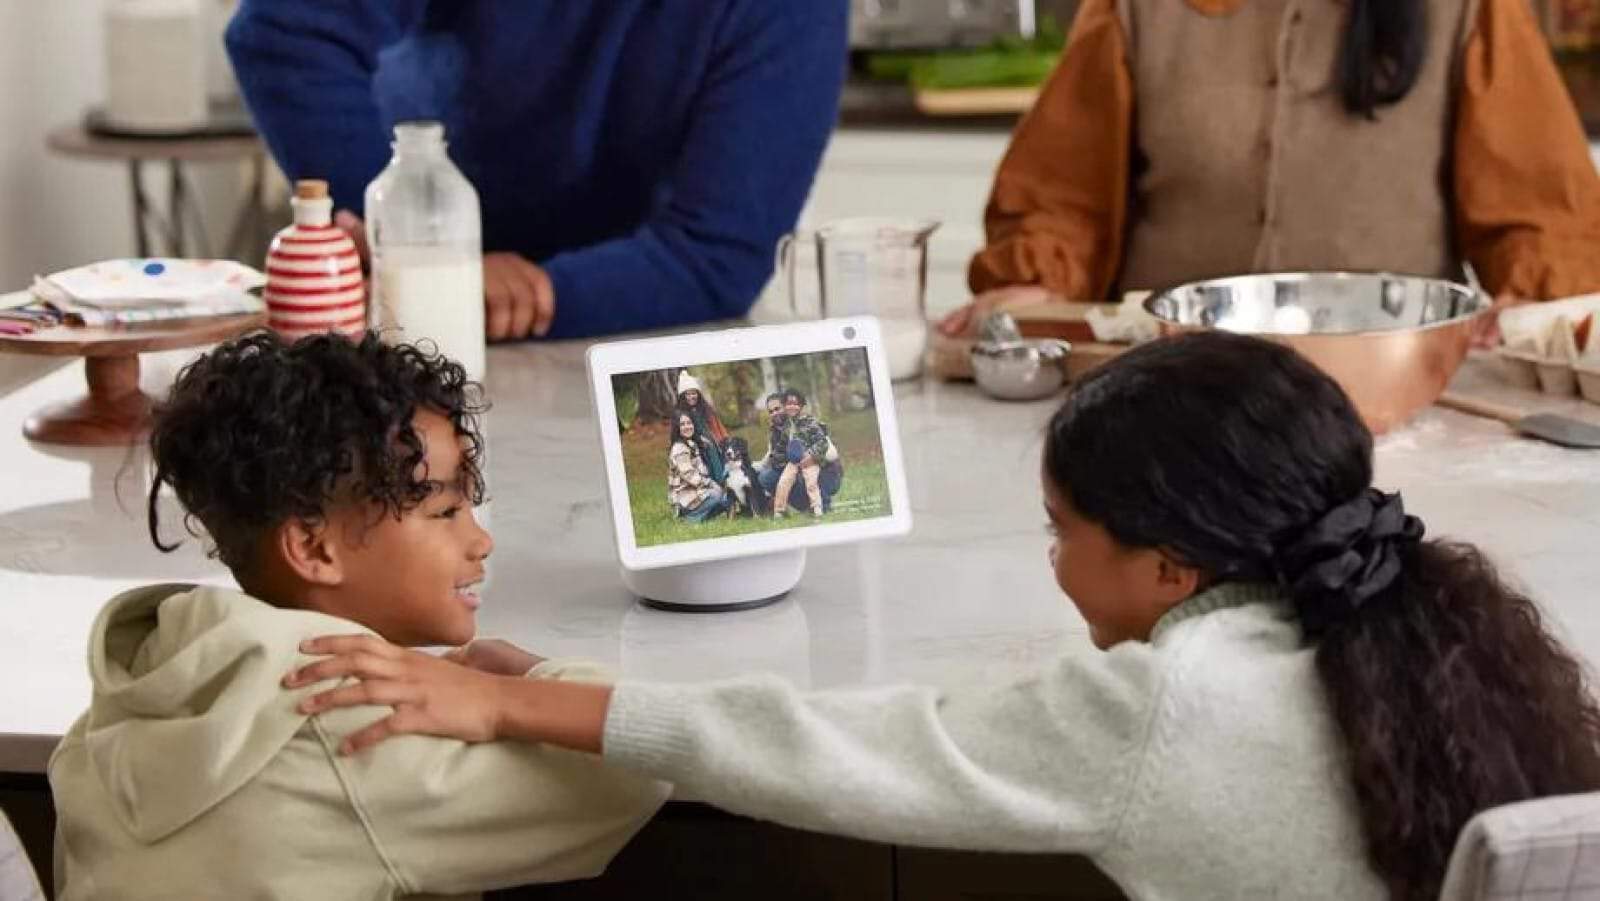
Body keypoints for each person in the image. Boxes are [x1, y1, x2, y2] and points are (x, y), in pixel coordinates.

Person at [291, 331, 1600, 901]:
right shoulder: (1427, 629)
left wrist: (518, 697)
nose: (1049, 561)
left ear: (1171, 568)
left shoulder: (1164, 706)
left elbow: (841, 745)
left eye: (1060, 534)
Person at [47, 332, 668, 899]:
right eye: (446, 512)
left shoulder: (128, 698)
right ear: (314, 548)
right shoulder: (351, 725)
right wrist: (519, 684)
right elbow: (649, 760)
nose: (481, 541)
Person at [940, 0, 1600, 346]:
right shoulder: (1136, 6)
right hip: (1165, 388)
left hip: (1386, 390)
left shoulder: (1469, 8)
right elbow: (1064, 194)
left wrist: (1541, 302)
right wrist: (1038, 283)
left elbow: (1542, 214)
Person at [225, 2, 849, 341]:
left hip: (641, 329)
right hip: (408, 323)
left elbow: (719, 252)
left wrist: (526, 296)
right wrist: (412, 250)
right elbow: (283, 33)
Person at [768, 389, 833, 519]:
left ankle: (817, 507)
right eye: (788, 404)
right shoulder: (787, 426)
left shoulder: (810, 422)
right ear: (784, 406)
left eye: (795, 403)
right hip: (793, 461)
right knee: (783, 481)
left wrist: (812, 455)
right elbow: (782, 445)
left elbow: (822, 442)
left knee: (811, 482)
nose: (792, 406)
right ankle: (779, 510)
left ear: (802, 405)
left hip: (810, 459)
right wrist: (776, 457)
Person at [668, 412, 731, 523]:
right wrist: (711, 484)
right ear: (677, 428)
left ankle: (704, 516)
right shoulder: (680, 449)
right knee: (717, 495)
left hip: (697, 490)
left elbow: (702, 471)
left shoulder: (691, 444)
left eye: (689, 423)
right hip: (685, 495)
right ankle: (690, 518)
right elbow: (690, 475)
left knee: (726, 498)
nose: (687, 426)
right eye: (682, 424)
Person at [674, 371, 729, 484]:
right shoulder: (682, 414)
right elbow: (683, 432)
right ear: (682, 396)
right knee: (709, 464)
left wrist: (723, 439)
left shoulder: (705, 408)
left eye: (694, 393)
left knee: (718, 460)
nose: (691, 397)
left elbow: (717, 426)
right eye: (687, 394)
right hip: (698, 446)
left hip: (713, 443)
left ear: (698, 394)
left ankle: (723, 484)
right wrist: (699, 439)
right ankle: (716, 485)